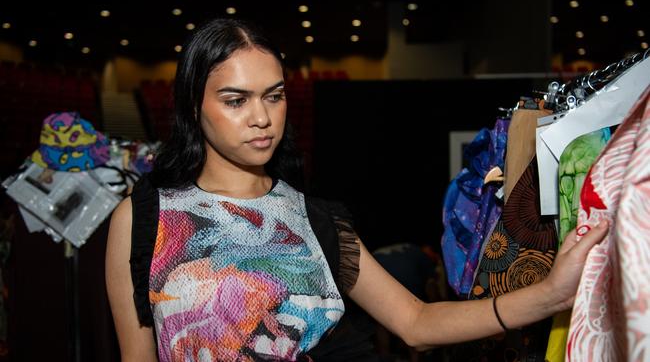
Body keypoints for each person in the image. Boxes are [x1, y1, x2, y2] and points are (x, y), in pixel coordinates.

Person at [105, 18, 609, 362]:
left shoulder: (314, 218)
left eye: (273, 97)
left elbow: (415, 321)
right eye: (236, 100)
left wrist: (549, 295)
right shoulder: (144, 219)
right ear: (194, 106)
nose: (261, 118)